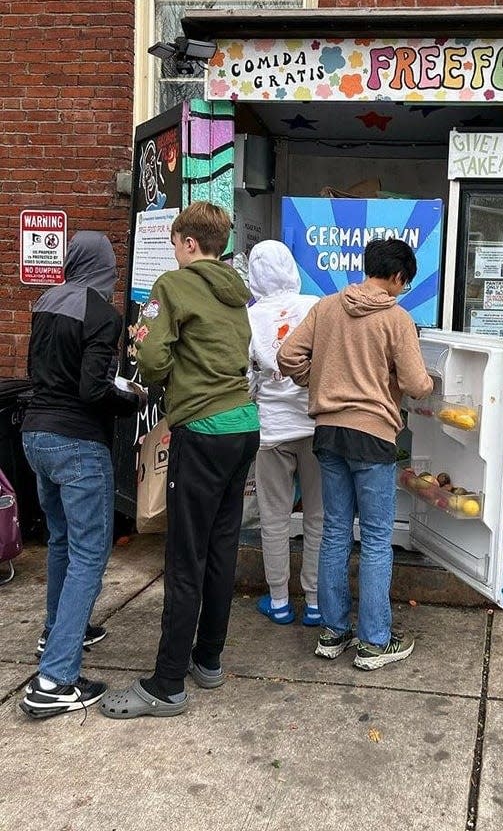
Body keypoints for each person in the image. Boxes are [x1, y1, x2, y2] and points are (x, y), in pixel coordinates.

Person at [100, 201, 259, 720]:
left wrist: (162, 379)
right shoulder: (237, 292)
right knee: (221, 545)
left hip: (203, 428)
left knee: (184, 556)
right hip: (243, 427)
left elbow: (147, 356)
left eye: (174, 243)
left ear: (189, 243)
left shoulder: (172, 285)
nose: (173, 251)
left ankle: (167, 684)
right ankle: (208, 658)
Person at [277, 238, 433, 671]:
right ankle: (375, 641)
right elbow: (417, 383)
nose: (401, 290)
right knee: (378, 539)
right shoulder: (396, 318)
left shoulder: (326, 307)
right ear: (398, 277)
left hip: (328, 433)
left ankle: (333, 632)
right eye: (404, 283)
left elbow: (287, 356)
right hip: (373, 436)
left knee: (334, 532)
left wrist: (320, 381)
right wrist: (429, 386)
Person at [20, 231, 145, 719]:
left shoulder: (45, 301)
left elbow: (44, 371)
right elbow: (94, 389)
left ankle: (58, 631)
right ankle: (54, 680)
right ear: (106, 265)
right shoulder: (103, 313)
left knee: (61, 543)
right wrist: (131, 397)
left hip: (36, 436)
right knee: (90, 554)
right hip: (76, 443)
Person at [246, 240, 323, 627]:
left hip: (271, 431)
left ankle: (278, 601)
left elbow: (246, 380)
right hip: (315, 426)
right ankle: (314, 602)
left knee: (274, 519)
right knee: (318, 518)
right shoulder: (315, 307)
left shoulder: (250, 316)